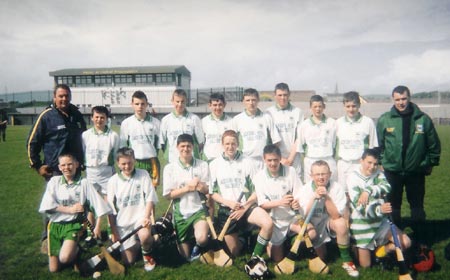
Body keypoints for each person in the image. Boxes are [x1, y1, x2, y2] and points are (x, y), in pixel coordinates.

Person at [27, 84, 87, 252]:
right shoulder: (47, 116)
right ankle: (47, 238)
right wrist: (37, 165)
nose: (64, 99)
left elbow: (84, 139)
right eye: (60, 96)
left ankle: (75, 235)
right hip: (54, 171)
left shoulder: (76, 115)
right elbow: (32, 142)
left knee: (76, 203)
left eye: (67, 95)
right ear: (54, 97)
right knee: (52, 204)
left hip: (75, 170)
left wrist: (83, 162)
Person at [376, 85, 441, 228]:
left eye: (404, 98)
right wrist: (381, 162)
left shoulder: (423, 119)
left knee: (417, 206)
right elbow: (378, 145)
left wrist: (431, 163)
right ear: (393, 100)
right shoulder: (385, 120)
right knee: (393, 205)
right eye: (397, 99)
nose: (401, 102)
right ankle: (395, 238)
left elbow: (434, 144)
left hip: (416, 171)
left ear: (409, 98)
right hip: (392, 171)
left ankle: (421, 239)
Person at [38, 153, 111, 272]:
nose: (67, 168)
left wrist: (97, 227)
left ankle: (75, 250)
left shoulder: (84, 183)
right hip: (54, 226)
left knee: (65, 258)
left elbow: (99, 206)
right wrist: (69, 210)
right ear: (59, 167)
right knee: (54, 269)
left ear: (76, 164)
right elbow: (47, 205)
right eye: (63, 165)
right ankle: (72, 250)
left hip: (73, 225)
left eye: (70, 164)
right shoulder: (54, 182)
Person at [209, 130, 273, 262]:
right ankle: (244, 237)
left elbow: (257, 191)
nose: (230, 147)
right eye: (227, 144)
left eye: (233, 143)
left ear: (238, 144)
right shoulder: (214, 164)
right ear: (222, 145)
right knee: (234, 252)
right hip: (228, 210)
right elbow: (212, 193)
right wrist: (229, 203)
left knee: (268, 223)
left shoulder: (247, 162)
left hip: (246, 207)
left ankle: (255, 257)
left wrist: (245, 207)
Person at [347, 148, 411, 268]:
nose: (372, 167)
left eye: (375, 164)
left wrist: (368, 191)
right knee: (365, 265)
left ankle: (381, 251)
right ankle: (355, 245)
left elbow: (387, 187)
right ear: (361, 161)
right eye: (369, 162)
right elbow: (361, 208)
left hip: (380, 223)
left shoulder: (379, 173)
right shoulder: (352, 178)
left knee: (405, 242)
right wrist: (379, 209)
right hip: (362, 224)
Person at [299, 160, 359, 277]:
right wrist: (314, 198)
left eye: (324, 174)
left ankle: (347, 260)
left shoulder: (336, 188)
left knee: (341, 224)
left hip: (328, 223)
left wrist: (326, 197)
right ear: (311, 175)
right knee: (322, 257)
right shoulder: (305, 190)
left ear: (330, 174)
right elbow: (305, 217)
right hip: (313, 226)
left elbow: (336, 216)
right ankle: (300, 247)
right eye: (317, 174)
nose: (321, 177)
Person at [107, 147, 158, 271]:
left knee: (145, 235)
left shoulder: (143, 174)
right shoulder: (113, 181)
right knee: (128, 261)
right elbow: (110, 210)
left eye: (129, 162)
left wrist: (146, 217)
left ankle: (147, 254)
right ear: (118, 164)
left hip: (140, 219)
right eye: (123, 164)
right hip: (123, 224)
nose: (127, 166)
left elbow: (150, 198)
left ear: (134, 160)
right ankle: (139, 243)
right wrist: (114, 231)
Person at [162, 134, 210, 262]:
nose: (186, 149)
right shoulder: (169, 168)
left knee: (202, 238)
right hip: (180, 213)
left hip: (199, 210)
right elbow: (168, 195)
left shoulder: (202, 165)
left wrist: (200, 186)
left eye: (188, 146)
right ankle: (182, 235)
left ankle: (198, 244)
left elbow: (208, 190)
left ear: (193, 147)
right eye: (182, 146)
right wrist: (187, 188)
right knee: (184, 255)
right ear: (177, 147)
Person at [253, 144, 303, 263]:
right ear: (264, 160)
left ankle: (291, 238)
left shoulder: (291, 171)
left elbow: (300, 194)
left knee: (311, 234)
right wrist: (280, 202)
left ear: (280, 158)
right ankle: (276, 243)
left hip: (292, 219)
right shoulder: (259, 177)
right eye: (269, 160)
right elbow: (262, 204)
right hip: (276, 221)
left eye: (275, 159)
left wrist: (296, 203)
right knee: (276, 259)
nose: (273, 163)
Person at [336, 91, 378, 193]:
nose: (351, 109)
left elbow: (373, 147)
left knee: (361, 194)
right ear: (344, 106)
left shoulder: (368, 122)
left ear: (359, 105)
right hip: (343, 165)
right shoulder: (338, 122)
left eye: (354, 106)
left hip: (360, 165)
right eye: (348, 106)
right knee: (344, 195)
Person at [120, 90, 161, 187]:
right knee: (135, 192)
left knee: (151, 195)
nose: (140, 106)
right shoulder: (126, 123)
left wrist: (151, 154)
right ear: (132, 104)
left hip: (152, 162)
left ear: (147, 104)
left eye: (142, 104)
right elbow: (123, 146)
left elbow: (159, 145)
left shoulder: (156, 123)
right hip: (134, 162)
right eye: (137, 104)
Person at [232, 88, 281, 169]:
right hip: (244, 160)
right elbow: (231, 140)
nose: (251, 103)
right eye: (248, 100)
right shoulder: (237, 119)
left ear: (258, 100)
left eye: (253, 100)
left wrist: (269, 157)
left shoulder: (267, 117)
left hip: (263, 161)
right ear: (243, 101)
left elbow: (276, 141)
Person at [266, 83, 304, 177]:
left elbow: (299, 137)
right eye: (280, 95)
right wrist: (280, 158)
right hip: (275, 158)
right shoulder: (268, 113)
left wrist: (290, 159)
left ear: (289, 94)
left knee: (295, 188)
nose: (283, 98)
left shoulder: (298, 112)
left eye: (285, 95)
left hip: (294, 158)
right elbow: (269, 139)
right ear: (275, 95)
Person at [298, 95, 337, 183]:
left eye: (320, 106)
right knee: (311, 189)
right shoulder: (304, 125)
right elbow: (302, 147)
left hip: (328, 159)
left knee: (331, 187)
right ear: (310, 107)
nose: (318, 109)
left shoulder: (332, 123)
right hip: (311, 160)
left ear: (324, 107)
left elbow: (335, 145)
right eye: (315, 107)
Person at [82, 105, 119, 197]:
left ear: (107, 119)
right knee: (91, 201)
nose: (99, 120)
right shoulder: (85, 135)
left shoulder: (113, 135)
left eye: (102, 117)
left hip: (106, 171)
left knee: (109, 201)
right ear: (91, 118)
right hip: (91, 171)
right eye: (96, 117)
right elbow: (83, 152)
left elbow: (116, 155)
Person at [160, 89, 205, 163]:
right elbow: (162, 143)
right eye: (177, 101)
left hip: (191, 160)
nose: (180, 104)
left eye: (182, 101)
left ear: (186, 101)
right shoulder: (166, 120)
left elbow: (200, 142)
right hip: (173, 160)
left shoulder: (194, 118)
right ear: (172, 101)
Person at [201, 93, 233, 161]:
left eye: (220, 105)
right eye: (215, 105)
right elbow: (200, 143)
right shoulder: (203, 121)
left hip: (225, 160)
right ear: (210, 105)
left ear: (224, 105)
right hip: (208, 159)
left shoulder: (231, 121)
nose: (218, 108)